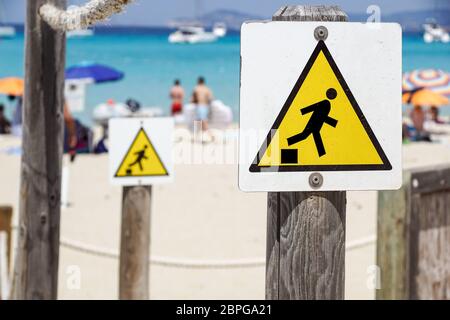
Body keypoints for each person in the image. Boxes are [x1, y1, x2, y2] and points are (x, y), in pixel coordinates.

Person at [287, 88, 338, 157]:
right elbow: (315, 108)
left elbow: (317, 110)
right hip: (314, 122)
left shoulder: (326, 104)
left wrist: (303, 111)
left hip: (316, 122)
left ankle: (322, 154)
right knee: (306, 135)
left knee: (310, 135)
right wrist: (303, 111)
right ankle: (288, 142)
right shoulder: (325, 103)